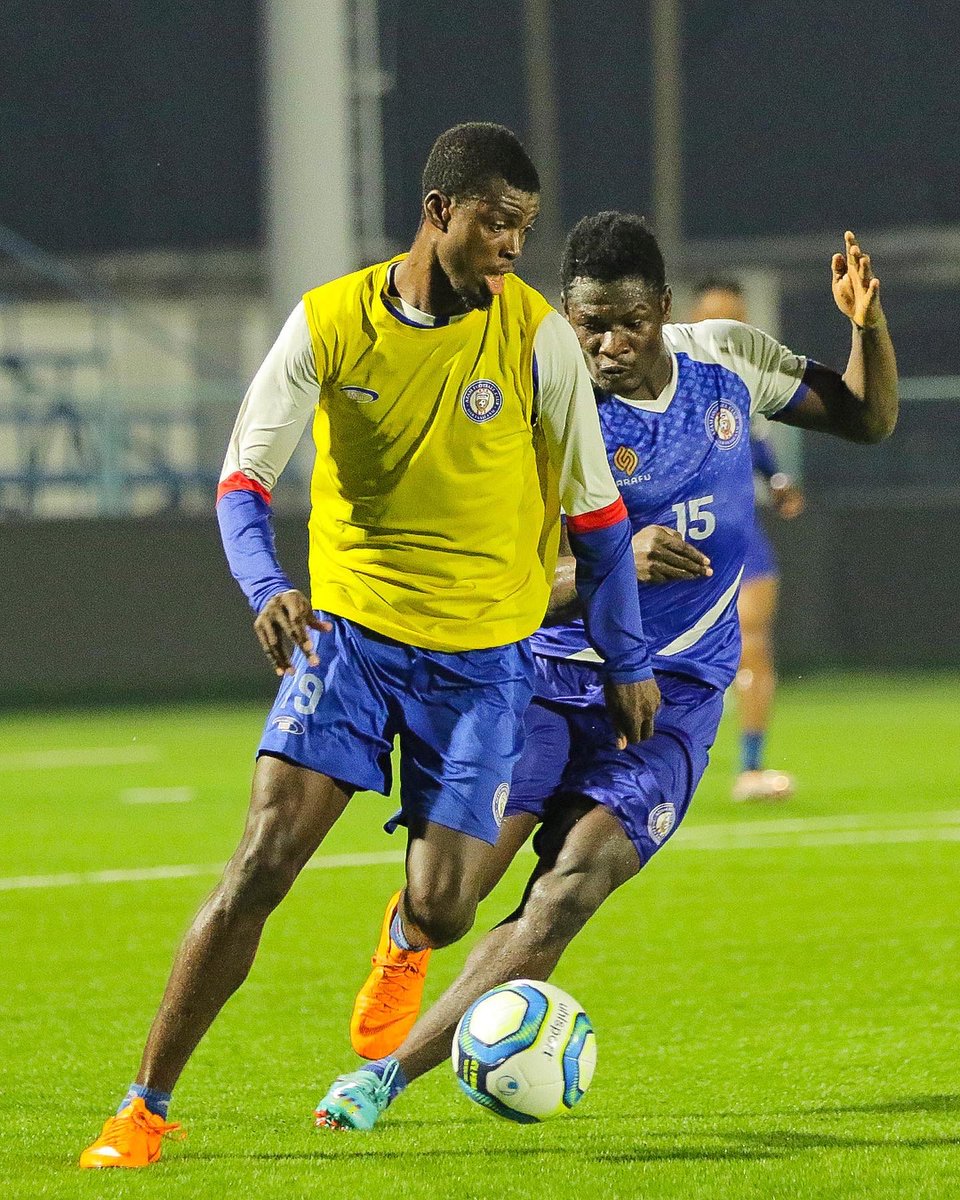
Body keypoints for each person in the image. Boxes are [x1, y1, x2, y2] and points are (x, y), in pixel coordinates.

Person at [79, 127, 658, 1169]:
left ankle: (402, 938)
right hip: (349, 642)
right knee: (261, 864)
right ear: (440, 211)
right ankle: (143, 1107)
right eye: (496, 223)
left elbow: (600, 524)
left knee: (444, 908)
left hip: (485, 664)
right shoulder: (329, 321)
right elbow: (243, 482)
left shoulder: (536, 338)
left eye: (524, 229)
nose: (513, 248)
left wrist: (626, 661)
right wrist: (268, 587)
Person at [315, 213, 898, 1130]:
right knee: (454, 901)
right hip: (546, 680)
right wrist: (614, 564)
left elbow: (867, 419)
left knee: (567, 892)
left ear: (661, 310)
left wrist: (866, 325)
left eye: (628, 321)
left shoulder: (725, 359)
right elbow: (500, 588)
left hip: (674, 701)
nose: (607, 343)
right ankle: (410, 932)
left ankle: (382, 1080)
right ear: (566, 314)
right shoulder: (530, 401)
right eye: (588, 323)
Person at [691, 278, 805, 802]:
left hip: (739, 532)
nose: (728, 331)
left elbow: (756, 446)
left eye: (736, 320)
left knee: (755, 643)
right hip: (674, 536)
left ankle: (750, 769)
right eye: (717, 320)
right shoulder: (664, 379)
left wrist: (779, 484)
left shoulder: (747, 386)